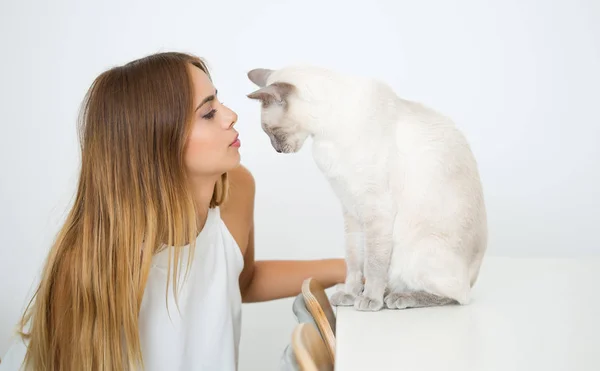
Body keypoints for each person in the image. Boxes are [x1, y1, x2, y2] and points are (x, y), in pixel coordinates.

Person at [0, 52, 346, 371]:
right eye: (208, 112)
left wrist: (350, 269)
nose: (231, 115)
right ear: (156, 142)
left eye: (218, 100)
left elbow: (242, 278)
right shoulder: (93, 264)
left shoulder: (236, 189)